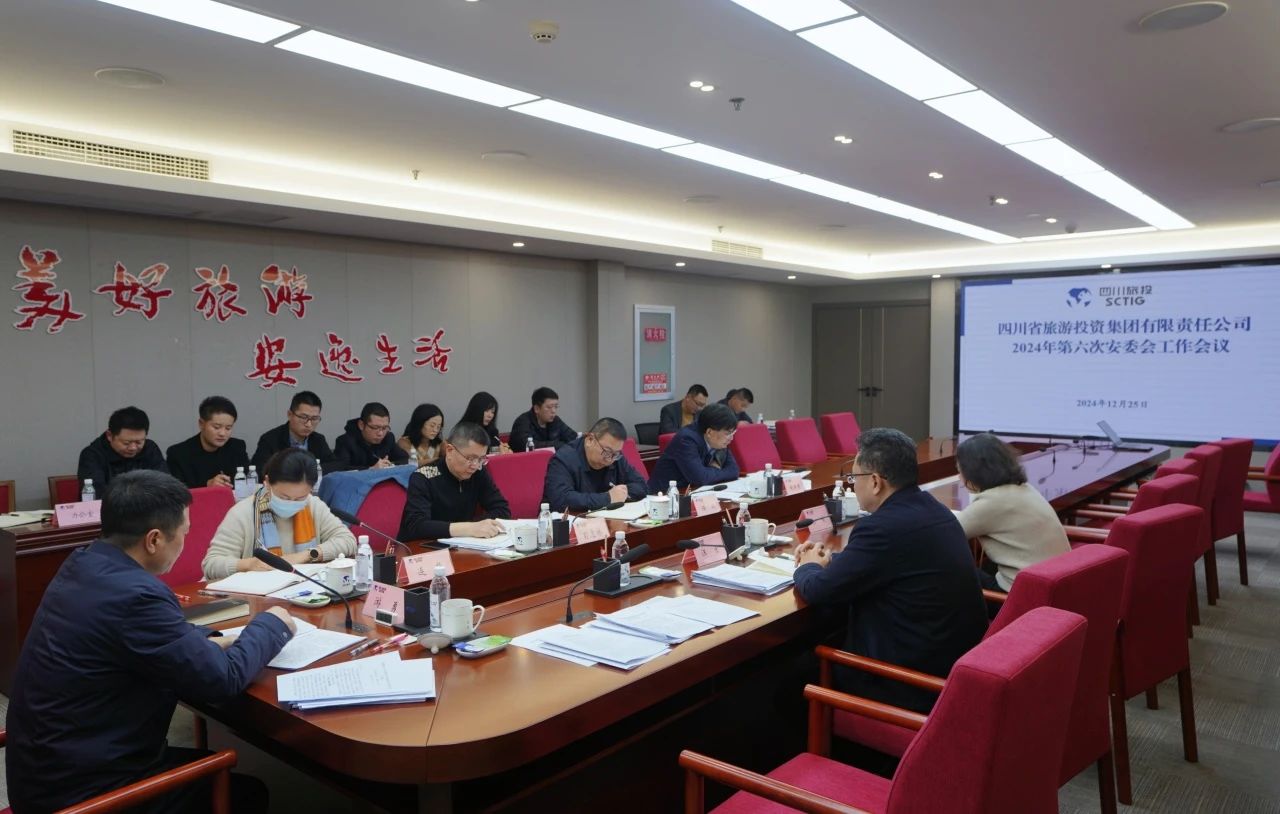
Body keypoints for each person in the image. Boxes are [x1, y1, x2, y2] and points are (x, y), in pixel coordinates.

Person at [6, 470, 295, 813]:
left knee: (208, 761)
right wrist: (271, 624)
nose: (185, 542)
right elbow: (222, 680)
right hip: (83, 794)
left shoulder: (84, 564)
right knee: (247, 793)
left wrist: (211, 640)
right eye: (184, 533)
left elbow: (137, 637)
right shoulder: (136, 595)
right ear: (154, 539)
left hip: (47, 771)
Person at [792, 428, 987, 714]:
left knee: (791, 685)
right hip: (949, 666)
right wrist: (833, 561)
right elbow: (888, 561)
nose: (852, 486)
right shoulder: (934, 510)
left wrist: (807, 565)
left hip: (907, 685)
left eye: (854, 479)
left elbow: (819, 591)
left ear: (875, 482)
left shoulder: (880, 528)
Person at [202, 448, 357, 580]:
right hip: (257, 596)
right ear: (267, 482)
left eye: (300, 498)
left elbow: (347, 541)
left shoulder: (312, 505)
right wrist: (247, 564)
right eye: (284, 497)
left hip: (304, 590)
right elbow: (211, 564)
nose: (292, 503)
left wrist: (307, 555)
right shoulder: (243, 512)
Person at [953, 433, 1070, 591]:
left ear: (972, 473)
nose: (959, 477)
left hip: (1024, 596)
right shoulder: (1024, 488)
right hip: (1057, 586)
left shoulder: (992, 503)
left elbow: (945, 533)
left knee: (951, 566)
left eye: (960, 471)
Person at [398, 422, 512, 541]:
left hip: (462, 544)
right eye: (470, 458)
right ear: (450, 450)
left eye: (481, 459)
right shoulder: (424, 477)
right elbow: (417, 525)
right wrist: (469, 528)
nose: (475, 465)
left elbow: (502, 509)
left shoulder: (479, 472)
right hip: (421, 546)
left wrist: (474, 527)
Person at [544, 418, 649, 512]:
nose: (610, 460)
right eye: (607, 452)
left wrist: (621, 494)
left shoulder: (615, 457)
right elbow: (561, 500)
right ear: (590, 440)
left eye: (616, 454)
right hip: (569, 522)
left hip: (606, 519)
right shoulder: (563, 459)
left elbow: (642, 485)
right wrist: (608, 498)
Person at [647, 403, 741, 492]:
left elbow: (734, 471)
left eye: (733, 433)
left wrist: (708, 473)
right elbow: (700, 478)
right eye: (728, 433)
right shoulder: (686, 440)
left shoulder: (718, 438)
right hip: (664, 494)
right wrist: (715, 469)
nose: (731, 438)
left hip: (693, 490)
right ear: (709, 432)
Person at [166, 395, 250, 489]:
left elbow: (248, 481)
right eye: (216, 427)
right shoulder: (179, 454)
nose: (222, 433)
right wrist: (206, 485)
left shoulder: (237, 447)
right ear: (201, 424)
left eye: (228, 428)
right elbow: (177, 492)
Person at [76, 405, 168, 489]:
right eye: (126, 443)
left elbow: (165, 484)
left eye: (139, 442)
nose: (133, 448)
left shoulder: (150, 449)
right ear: (109, 436)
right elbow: (97, 492)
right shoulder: (92, 455)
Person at [250, 390, 334, 471]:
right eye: (303, 417)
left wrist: (311, 470)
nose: (308, 424)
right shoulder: (270, 439)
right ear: (289, 415)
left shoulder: (318, 439)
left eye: (314, 418)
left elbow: (334, 464)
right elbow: (259, 471)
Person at [334, 402, 409, 470]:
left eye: (384, 428)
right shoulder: (345, 441)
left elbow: (404, 459)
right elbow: (340, 469)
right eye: (375, 428)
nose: (380, 433)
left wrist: (389, 465)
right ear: (361, 425)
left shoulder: (388, 438)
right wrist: (371, 469)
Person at [509, 386, 578, 451]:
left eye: (556, 407)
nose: (553, 411)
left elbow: (574, 438)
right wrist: (558, 445)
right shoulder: (523, 422)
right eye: (549, 407)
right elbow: (525, 445)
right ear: (536, 409)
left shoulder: (556, 420)